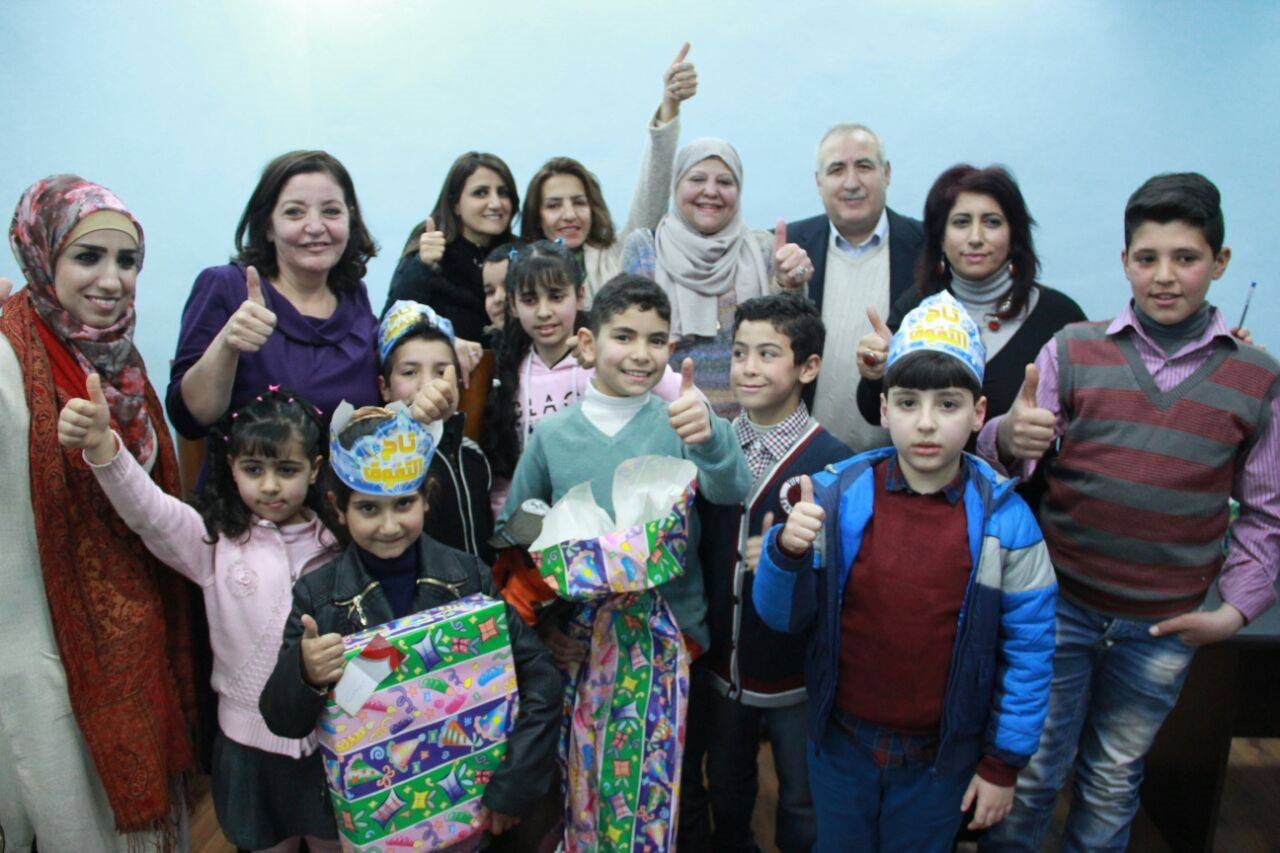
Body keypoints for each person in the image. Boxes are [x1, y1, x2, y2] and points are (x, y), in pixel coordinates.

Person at [977, 173, 1280, 852]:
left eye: (1186, 257)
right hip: (1059, 607)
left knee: (1113, 777)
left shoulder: (1256, 377)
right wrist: (1008, 435)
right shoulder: (1073, 349)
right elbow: (1009, 451)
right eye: (1147, 258)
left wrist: (1236, 610)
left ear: (1220, 262)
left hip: (1164, 627)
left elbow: (1266, 513)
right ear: (1125, 262)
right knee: (1033, 769)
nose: (1164, 275)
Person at [754, 291, 1058, 851]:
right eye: (909, 402)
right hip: (841, 745)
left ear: (979, 413)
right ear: (884, 408)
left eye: (948, 404)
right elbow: (780, 617)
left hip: (940, 759)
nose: (926, 424)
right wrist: (785, 552)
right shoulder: (836, 497)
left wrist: (1002, 765)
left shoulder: (1007, 522)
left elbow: (1030, 654)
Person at [493, 274, 751, 849]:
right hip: (580, 644)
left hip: (670, 640)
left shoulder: (680, 422)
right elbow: (516, 537)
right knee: (581, 779)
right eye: (625, 336)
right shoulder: (552, 436)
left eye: (656, 340)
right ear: (588, 343)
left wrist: (710, 436)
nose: (641, 353)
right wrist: (548, 626)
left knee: (664, 785)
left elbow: (731, 487)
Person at [0, 175, 198, 850]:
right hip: (42, 635)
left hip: (136, 630)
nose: (112, 280)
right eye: (88, 256)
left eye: (127, 260)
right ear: (40, 254)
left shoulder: (121, 361)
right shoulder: (7, 355)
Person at [259, 403, 561, 840]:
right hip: (378, 822)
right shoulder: (319, 599)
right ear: (338, 507)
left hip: (472, 809)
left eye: (403, 503)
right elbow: (282, 720)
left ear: (426, 496)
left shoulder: (468, 578)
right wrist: (305, 672)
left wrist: (514, 786)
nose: (389, 526)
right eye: (368, 508)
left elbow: (540, 677)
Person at [60, 387, 342, 852]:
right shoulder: (216, 543)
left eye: (287, 470)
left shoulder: (337, 543)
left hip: (329, 739)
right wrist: (105, 448)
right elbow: (151, 514)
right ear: (231, 467)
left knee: (334, 842)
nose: (270, 486)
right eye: (254, 469)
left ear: (314, 470)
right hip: (247, 745)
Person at [700, 293, 851, 852]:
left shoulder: (835, 461)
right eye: (740, 352)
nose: (748, 367)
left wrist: (791, 558)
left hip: (795, 677)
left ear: (808, 368)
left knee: (801, 799)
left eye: (768, 354)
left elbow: (848, 572)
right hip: (722, 668)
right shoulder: (713, 446)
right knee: (727, 785)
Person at [855, 165, 1087, 461]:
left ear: (1014, 234)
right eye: (961, 222)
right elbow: (873, 413)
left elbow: (1085, 431)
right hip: (924, 486)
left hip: (1028, 489)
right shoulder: (916, 306)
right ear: (940, 236)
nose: (976, 237)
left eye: (992, 222)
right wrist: (876, 372)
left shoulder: (1060, 316)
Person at [167, 150, 381, 440]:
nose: (315, 227)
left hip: (349, 471)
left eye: (331, 211)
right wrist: (227, 345)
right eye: (294, 212)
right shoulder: (227, 286)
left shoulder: (353, 293)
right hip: (256, 471)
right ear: (268, 226)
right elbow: (190, 419)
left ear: (350, 219)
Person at [621, 138, 815, 418]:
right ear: (676, 184)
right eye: (697, 179)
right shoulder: (645, 248)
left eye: (725, 182)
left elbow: (791, 338)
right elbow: (628, 343)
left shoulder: (763, 249)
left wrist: (791, 285)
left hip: (751, 428)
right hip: (666, 424)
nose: (711, 191)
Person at [520, 43, 697, 303]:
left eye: (579, 202)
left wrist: (670, 105)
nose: (569, 215)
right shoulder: (520, 269)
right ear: (536, 215)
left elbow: (652, 193)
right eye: (554, 205)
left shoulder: (618, 255)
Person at [789, 123, 925, 451]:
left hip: (901, 456)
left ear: (886, 173)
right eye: (837, 169)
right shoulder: (789, 248)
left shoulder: (927, 247)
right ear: (819, 181)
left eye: (864, 166)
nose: (851, 182)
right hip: (805, 457)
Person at [378, 300, 495, 563]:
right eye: (410, 372)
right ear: (384, 387)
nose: (427, 384)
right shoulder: (382, 460)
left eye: (441, 371)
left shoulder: (473, 454)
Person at [383, 151, 519, 343]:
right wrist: (421, 267)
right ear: (455, 204)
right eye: (480, 193)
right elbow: (390, 331)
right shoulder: (428, 253)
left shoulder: (521, 254)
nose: (496, 203)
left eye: (503, 193)